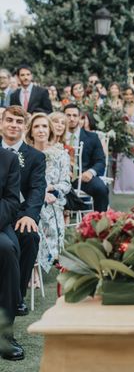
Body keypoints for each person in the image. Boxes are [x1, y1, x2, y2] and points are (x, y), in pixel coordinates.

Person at [1, 106, 46, 319]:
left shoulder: (35, 157)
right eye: (9, 120)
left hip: (20, 215)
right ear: (1, 123)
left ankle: (16, 296)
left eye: (19, 122)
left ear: (25, 127)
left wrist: (30, 214)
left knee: (29, 237)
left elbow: (37, 189)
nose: (13, 125)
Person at [25, 113, 70, 272]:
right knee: (34, 210)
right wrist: (39, 193)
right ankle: (33, 268)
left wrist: (49, 188)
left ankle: (40, 263)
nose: (41, 130)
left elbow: (66, 184)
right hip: (29, 201)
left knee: (47, 209)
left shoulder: (60, 155)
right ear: (30, 131)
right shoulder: (24, 154)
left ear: (50, 130)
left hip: (52, 201)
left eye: (44, 126)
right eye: (36, 126)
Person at [64, 104, 109, 211]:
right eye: (68, 115)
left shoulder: (92, 137)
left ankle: (100, 222)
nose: (72, 119)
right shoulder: (57, 137)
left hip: (84, 177)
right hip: (62, 178)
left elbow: (100, 161)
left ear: (80, 118)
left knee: (101, 188)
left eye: (75, 115)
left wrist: (91, 172)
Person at [0, 147, 22, 361]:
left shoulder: (9, 159)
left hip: (0, 222)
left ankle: (5, 334)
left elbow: (11, 200)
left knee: (7, 249)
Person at [113, 87, 134, 194]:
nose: (129, 96)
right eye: (126, 94)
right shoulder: (120, 107)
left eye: (131, 94)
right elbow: (117, 123)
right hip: (124, 137)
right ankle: (121, 187)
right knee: (124, 162)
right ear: (124, 96)